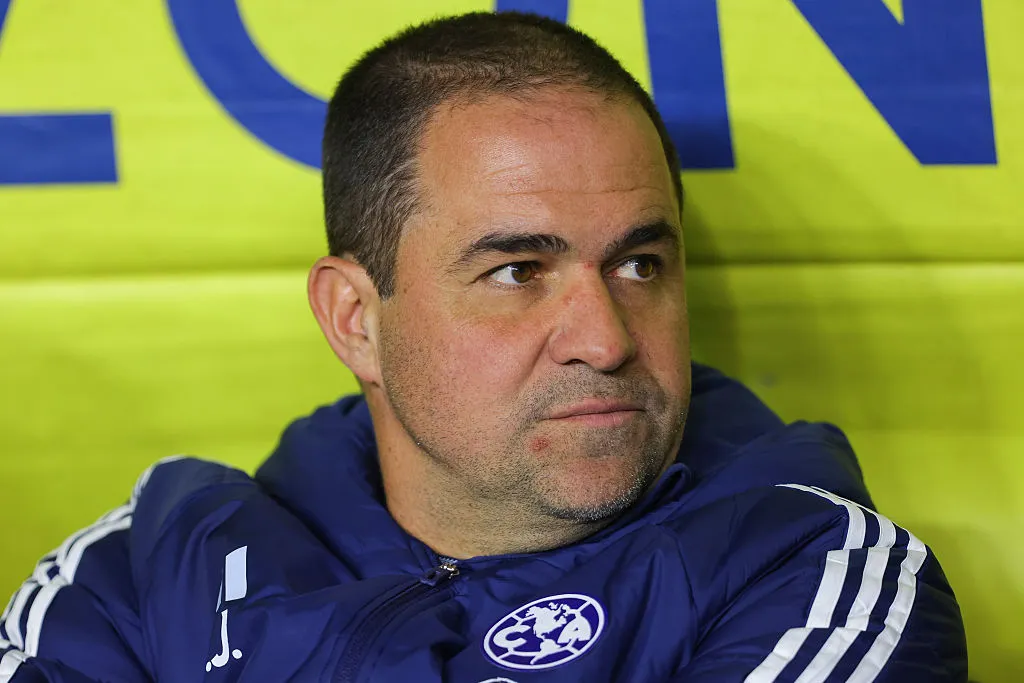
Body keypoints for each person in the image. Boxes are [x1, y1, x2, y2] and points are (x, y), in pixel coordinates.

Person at [0, 11, 966, 683]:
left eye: (638, 264)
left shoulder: (821, 577)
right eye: (517, 270)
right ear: (355, 319)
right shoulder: (137, 575)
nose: (605, 339)